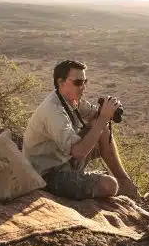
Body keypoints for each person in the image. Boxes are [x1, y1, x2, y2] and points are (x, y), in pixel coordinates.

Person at [22, 59, 140, 200]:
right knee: (110, 185)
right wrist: (102, 119)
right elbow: (79, 152)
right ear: (61, 82)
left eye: (85, 82)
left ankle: (124, 181)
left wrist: (107, 109)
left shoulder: (71, 100)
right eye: (78, 82)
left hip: (64, 160)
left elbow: (95, 116)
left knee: (101, 126)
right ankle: (113, 184)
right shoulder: (54, 110)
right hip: (47, 174)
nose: (83, 87)